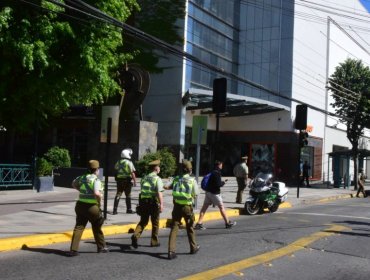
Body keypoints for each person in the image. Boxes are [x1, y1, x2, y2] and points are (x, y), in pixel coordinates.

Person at [67, 160, 109, 256]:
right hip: (92, 207)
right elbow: (97, 193)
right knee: (97, 226)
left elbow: (73, 184)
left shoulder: (81, 177)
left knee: (79, 227)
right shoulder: (96, 180)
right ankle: (101, 247)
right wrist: (100, 202)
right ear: (97, 170)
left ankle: (73, 250)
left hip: (80, 205)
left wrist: (82, 191)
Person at [165, 159, 200, 260]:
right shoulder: (192, 180)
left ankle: (171, 251)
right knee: (190, 227)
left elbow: (166, 186)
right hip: (187, 207)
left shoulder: (176, 179)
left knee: (174, 227)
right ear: (189, 170)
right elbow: (196, 194)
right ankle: (193, 248)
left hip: (176, 206)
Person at [131, 159, 164, 248]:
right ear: (156, 168)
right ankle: (154, 241)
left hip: (143, 202)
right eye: (158, 167)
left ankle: (135, 235)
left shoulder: (144, 178)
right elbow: (159, 193)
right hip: (153, 203)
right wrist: (161, 204)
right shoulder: (157, 179)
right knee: (155, 222)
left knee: (143, 221)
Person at [194, 160, 236, 230]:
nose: (222, 166)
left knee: (204, 208)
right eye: (221, 165)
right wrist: (223, 183)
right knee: (221, 207)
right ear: (218, 166)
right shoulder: (217, 173)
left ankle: (199, 223)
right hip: (215, 194)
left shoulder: (212, 172)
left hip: (208, 193)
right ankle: (227, 223)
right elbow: (218, 185)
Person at [113, 148, 137, 214]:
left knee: (118, 194)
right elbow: (132, 173)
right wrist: (135, 181)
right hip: (127, 181)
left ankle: (114, 210)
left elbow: (116, 169)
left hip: (119, 181)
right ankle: (129, 209)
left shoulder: (118, 162)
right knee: (128, 195)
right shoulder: (129, 162)